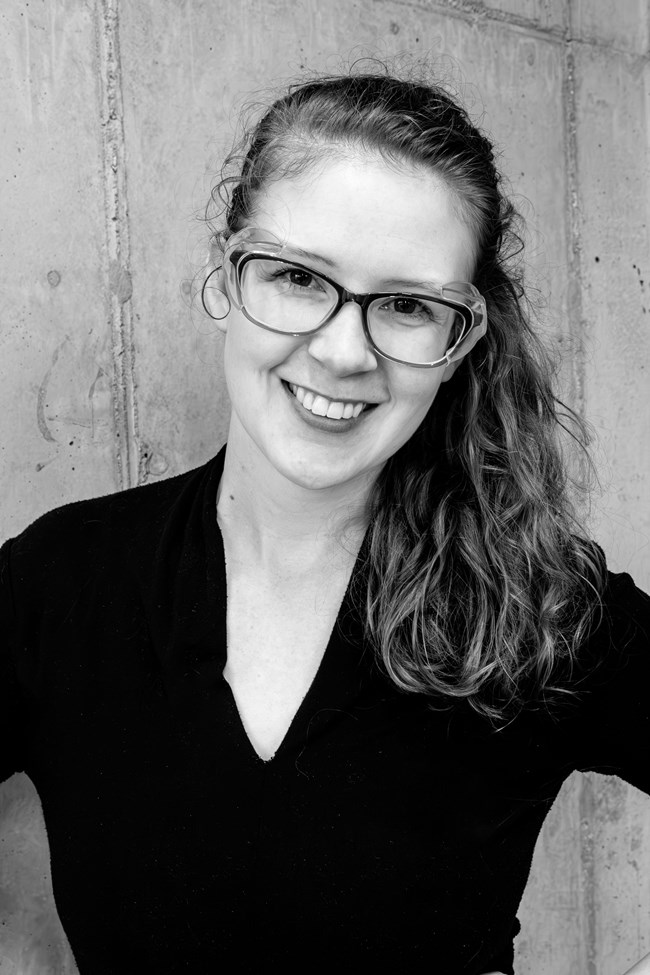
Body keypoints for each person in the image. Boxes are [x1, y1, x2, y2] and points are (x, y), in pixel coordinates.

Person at [1, 65, 649, 975]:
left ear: (460, 341)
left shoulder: (540, 606)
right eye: (300, 278)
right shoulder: (61, 581)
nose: (344, 352)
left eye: (410, 305)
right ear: (226, 278)